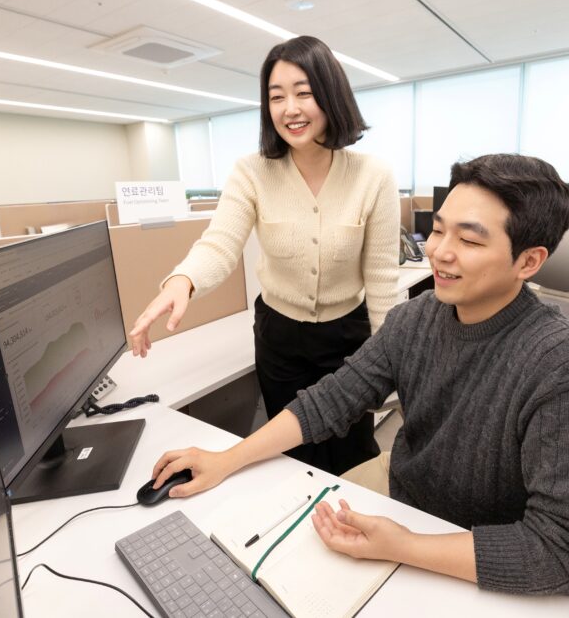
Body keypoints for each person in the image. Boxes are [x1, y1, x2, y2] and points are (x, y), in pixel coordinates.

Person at [148, 154, 569, 600]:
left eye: (468, 240)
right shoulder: (416, 319)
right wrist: (227, 458)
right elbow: (332, 400)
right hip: (405, 502)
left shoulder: (567, 372)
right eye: (438, 231)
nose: (440, 252)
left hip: (477, 551)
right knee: (249, 569)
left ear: (528, 261)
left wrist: (406, 546)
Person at [129, 35, 399, 476]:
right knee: (291, 457)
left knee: (351, 453)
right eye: (276, 97)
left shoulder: (373, 176)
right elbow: (219, 244)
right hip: (281, 339)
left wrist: (394, 362)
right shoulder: (251, 172)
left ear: (330, 95)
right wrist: (182, 281)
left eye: (303, 93)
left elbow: (384, 282)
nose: (289, 108)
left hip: (348, 340)